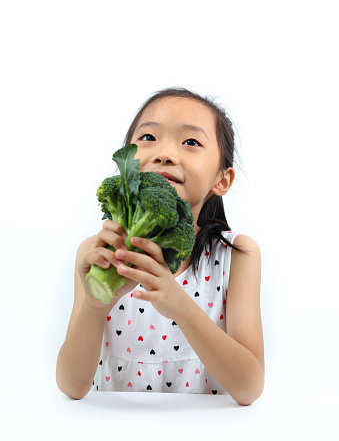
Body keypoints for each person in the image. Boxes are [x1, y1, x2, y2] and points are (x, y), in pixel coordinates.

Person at [56, 87, 265, 406]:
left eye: (191, 142)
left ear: (222, 180)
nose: (165, 152)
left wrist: (179, 304)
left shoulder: (236, 256)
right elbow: (71, 386)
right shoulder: (96, 253)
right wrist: (94, 306)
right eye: (149, 137)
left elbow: (249, 388)